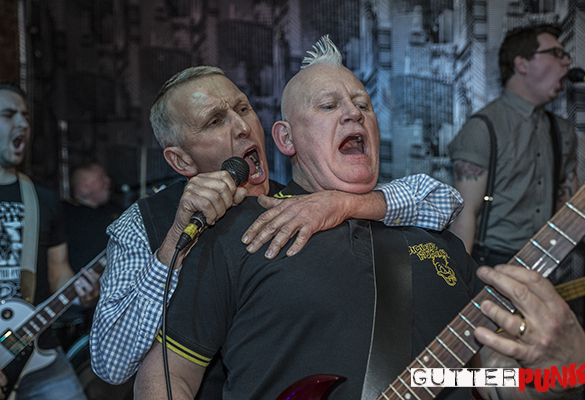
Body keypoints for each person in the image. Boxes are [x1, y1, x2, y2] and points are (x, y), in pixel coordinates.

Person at [134, 37, 585, 400]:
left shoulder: (440, 242)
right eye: (328, 105)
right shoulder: (240, 232)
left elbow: (485, 380)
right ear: (286, 139)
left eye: (363, 104)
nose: (354, 112)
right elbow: (168, 375)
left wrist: (564, 376)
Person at [89, 64, 465, 388]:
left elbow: (444, 201)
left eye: (244, 109)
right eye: (215, 121)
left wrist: (342, 202)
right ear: (182, 161)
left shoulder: (301, 200)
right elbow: (112, 364)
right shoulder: (144, 224)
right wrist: (175, 240)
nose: (243, 127)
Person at [0, 83, 100, 399]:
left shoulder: (42, 199)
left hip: (39, 348)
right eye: (8, 114)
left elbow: (59, 274)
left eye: (26, 116)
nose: (23, 124)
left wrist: (83, 295)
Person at [448, 24, 578, 266]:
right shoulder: (483, 127)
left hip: (547, 262)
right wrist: (459, 280)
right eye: (556, 53)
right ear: (522, 64)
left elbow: (571, 210)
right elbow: (464, 215)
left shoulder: (563, 131)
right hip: (493, 263)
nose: (567, 61)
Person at [54, 162, 124, 352]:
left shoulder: (117, 212)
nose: (108, 181)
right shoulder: (62, 212)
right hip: (71, 305)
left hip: (114, 303)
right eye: (101, 178)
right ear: (85, 183)